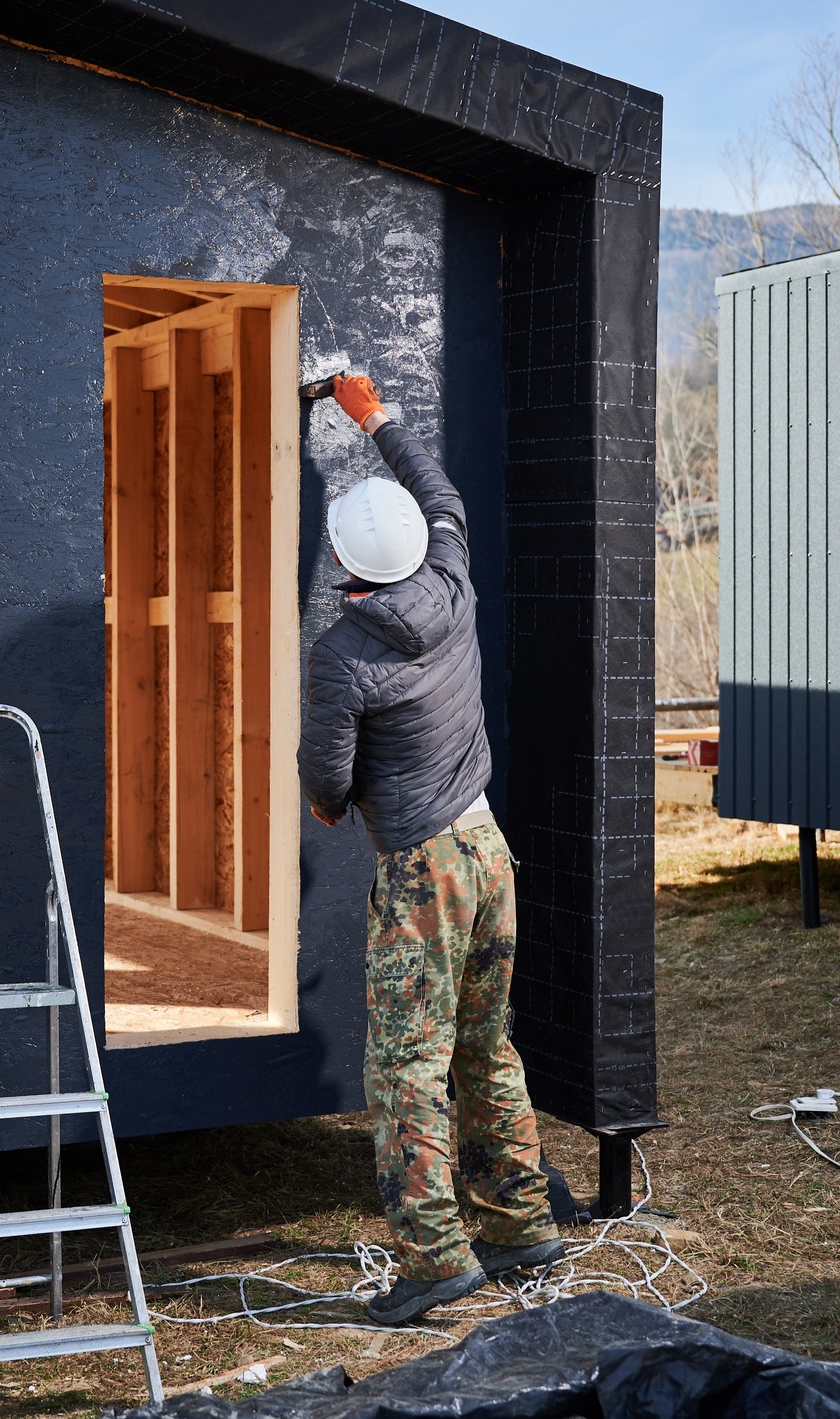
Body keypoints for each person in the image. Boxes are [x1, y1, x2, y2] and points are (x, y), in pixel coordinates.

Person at [298, 374, 562, 1327]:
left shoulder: (342, 656)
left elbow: (326, 778)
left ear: (339, 559)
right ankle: (520, 1224)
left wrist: (332, 805)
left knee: (407, 1062)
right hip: (488, 850)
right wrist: (374, 417)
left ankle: (436, 1260)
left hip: (422, 871)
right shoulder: (453, 575)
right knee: (486, 1042)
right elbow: (438, 490)